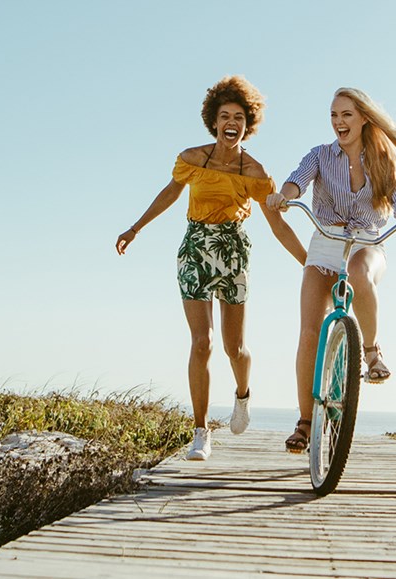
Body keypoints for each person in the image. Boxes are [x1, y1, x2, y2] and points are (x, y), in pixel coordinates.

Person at [115, 75, 302, 460]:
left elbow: (278, 224)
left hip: (232, 250)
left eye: (239, 117)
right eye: (224, 116)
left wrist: (308, 262)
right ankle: (200, 431)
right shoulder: (191, 159)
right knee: (203, 343)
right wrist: (135, 228)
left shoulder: (255, 173)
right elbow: (171, 192)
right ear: (214, 121)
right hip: (195, 248)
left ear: (247, 125)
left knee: (235, 348)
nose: (231, 123)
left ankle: (242, 395)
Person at [265, 87, 396, 453]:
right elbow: (296, 181)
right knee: (308, 333)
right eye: (334, 116)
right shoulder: (320, 155)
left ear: (363, 118)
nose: (339, 122)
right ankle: (305, 423)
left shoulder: (381, 160)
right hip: (325, 240)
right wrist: (285, 197)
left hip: (367, 241)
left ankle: (370, 351)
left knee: (358, 274)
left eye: (346, 115)